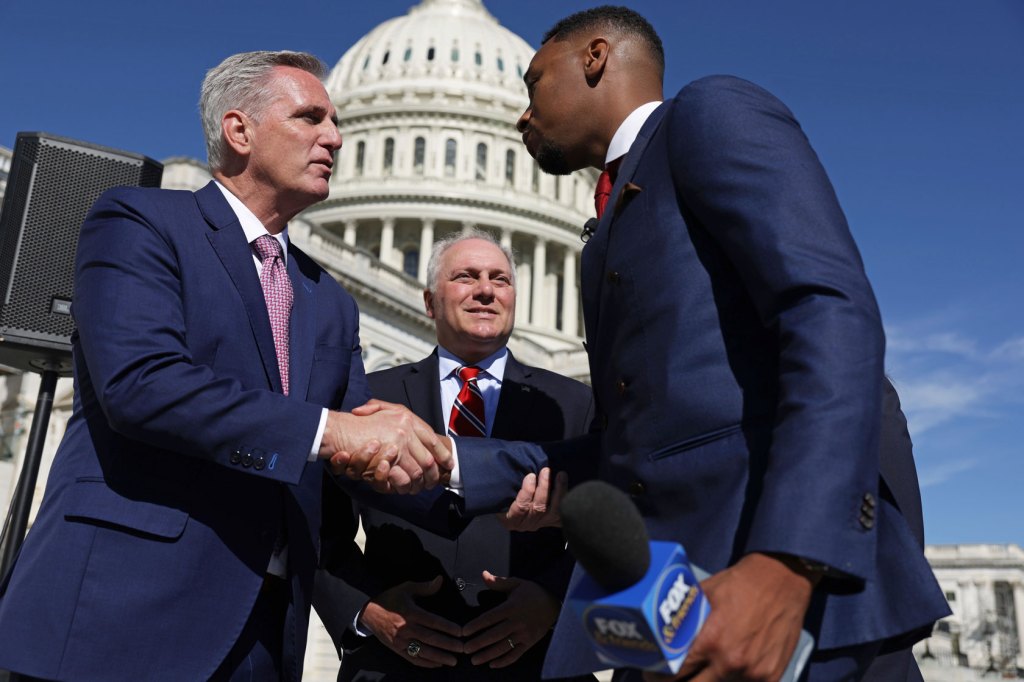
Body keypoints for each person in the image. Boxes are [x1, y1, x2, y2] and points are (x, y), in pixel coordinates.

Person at [336, 6, 951, 681]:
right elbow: (626, 450)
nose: (521, 116)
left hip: (775, 598)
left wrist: (789, 564)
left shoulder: (707, 114)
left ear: (595, 58)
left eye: (534, 84)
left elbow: (830, 312)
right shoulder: (605, 233)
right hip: (661, 615)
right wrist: (450, 460)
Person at [0, 50, 448, 681]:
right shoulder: (141, 222)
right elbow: (143, 386)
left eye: (336, 121)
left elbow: (352, 463)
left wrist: (471, 479)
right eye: (311, 117)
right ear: (240, 131)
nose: (336, 137)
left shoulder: (332, 301)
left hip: (262, 631)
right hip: (122, 614)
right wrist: (334, 430)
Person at [314, 232, 596, 681]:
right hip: (394, 666)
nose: (485, 289)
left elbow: (618, 521)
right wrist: (366, 609)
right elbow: (316, 528)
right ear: (429, 302)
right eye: (466, 276)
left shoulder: (570, 403)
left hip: (534, 664)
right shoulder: (369, 399)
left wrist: (554, 600)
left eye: (500, 279)